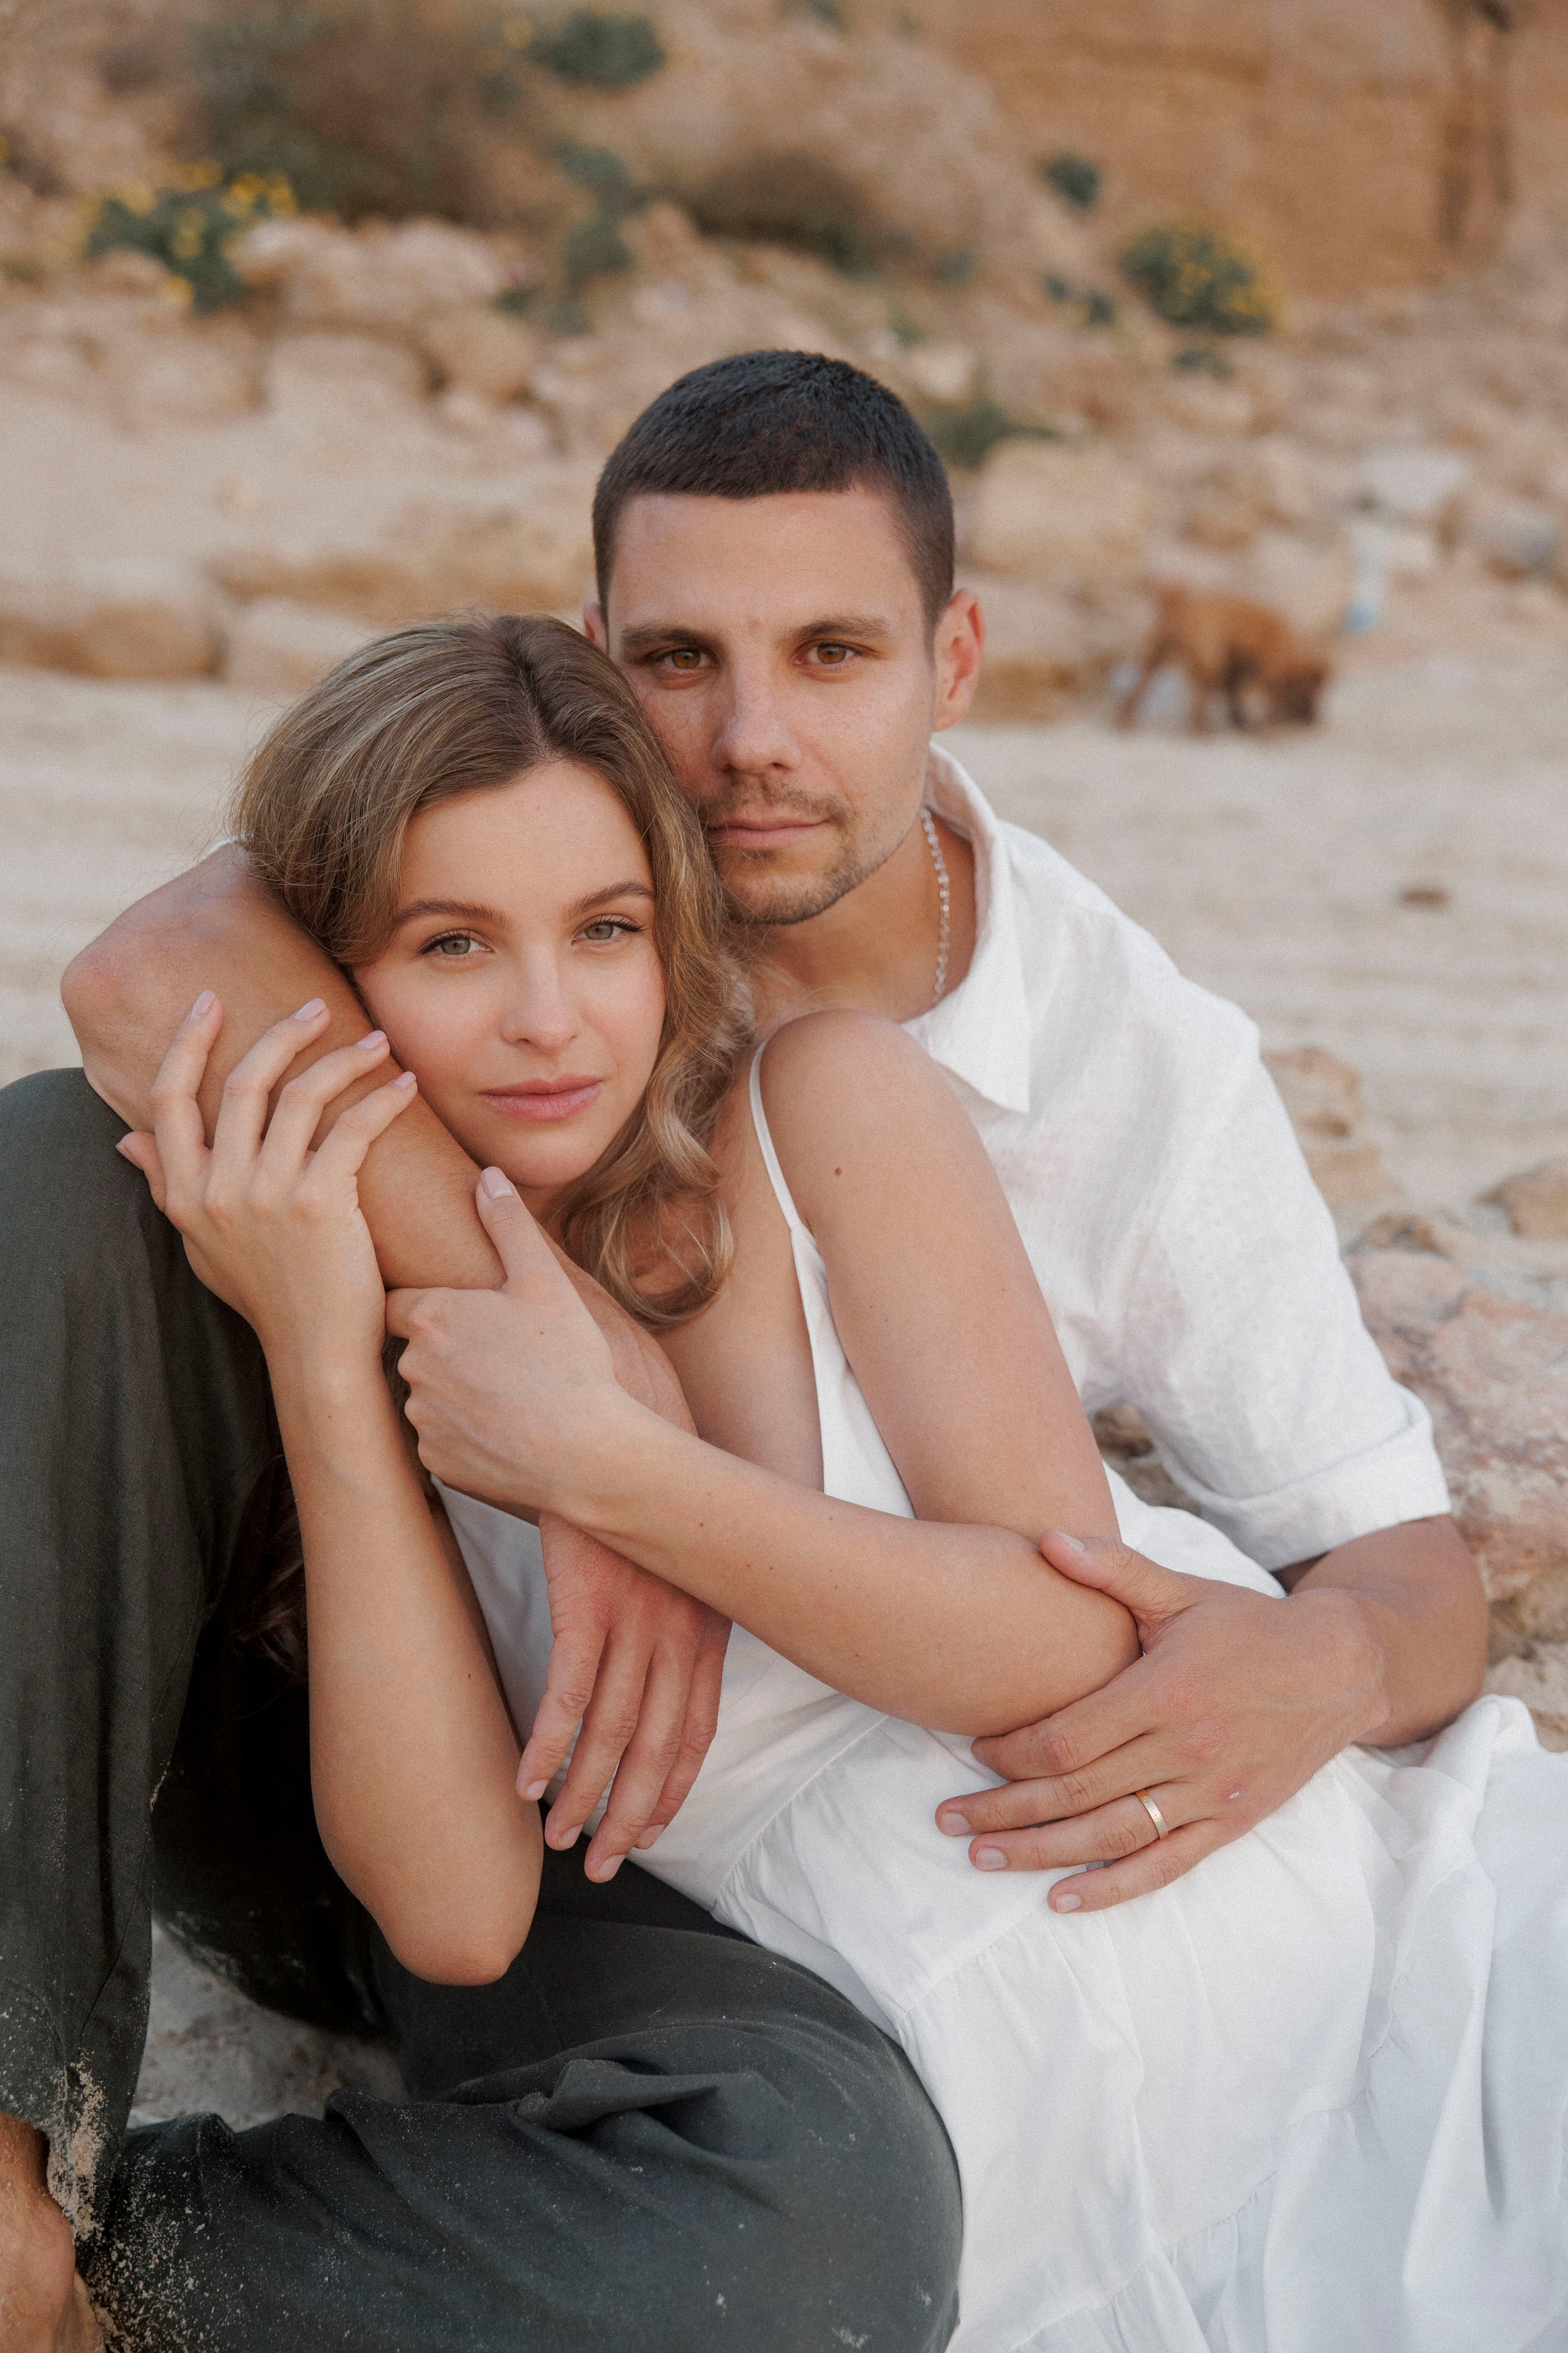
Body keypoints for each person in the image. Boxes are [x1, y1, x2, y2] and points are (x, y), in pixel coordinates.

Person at [0, 346, 1471, 2337]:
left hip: (697, 1866)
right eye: (684, 658)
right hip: (366, 1728)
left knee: (821, 2201)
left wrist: (1322, 1656)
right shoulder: (514, 805)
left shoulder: (1064, 1068)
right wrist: (540, 1335)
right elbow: (152, 962)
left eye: (835, 654)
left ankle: (136, 2286)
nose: (750, 737)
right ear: (599, 649)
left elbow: (1330, 1572)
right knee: (68, 1158)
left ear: (956, 659)